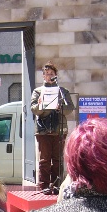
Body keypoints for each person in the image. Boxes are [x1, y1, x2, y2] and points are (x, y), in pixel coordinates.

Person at [30, 61, 75, 190]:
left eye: (52, 73)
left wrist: (61, 107)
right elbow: (34, 109)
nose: (49, 76)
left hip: (59, 129)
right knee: (44, 159)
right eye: (47, 74)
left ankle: (57, 185)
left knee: (58, 159)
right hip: (43, 129)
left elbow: (70, 108)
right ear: (43, 76)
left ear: (56, 75)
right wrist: (40, 105)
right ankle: (44, 185)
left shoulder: (62, 91)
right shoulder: (38, 91)